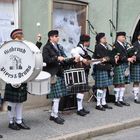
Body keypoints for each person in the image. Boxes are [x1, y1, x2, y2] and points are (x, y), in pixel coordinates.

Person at [43, 30, 79, 124]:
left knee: (58, 96)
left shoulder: (59, 47)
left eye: (58, 36)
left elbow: (64, 59)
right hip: (53, 73)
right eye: (56, 36)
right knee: (56, 96)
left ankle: (53, 115)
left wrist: (73, 60)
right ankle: (55, 115)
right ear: (50, 37)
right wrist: (56, 58)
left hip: (60, 73)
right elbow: (46, 60)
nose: (58, 37)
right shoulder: (46, 47)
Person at [4, 29, 30, 130]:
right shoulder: (8, 47)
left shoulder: (23, 47)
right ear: (16, 36)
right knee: (12, 102)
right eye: (21, 35)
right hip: (12, 78)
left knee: (20, 101)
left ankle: (19, 121)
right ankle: (11, 122)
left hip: (21, 76)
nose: (23, 36)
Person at [112, 32, 136, 107]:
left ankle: (121, 99)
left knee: (123, 83)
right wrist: (127, 59)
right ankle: (116, 100)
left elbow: (126, 54)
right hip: (119, 65)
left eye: (124, 37)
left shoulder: (124, 45)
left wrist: (132, 56)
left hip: (124, 65)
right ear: (118, 37)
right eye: (122, 37)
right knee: (118, 84)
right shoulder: (115, 45)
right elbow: (119, 56)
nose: (124, 38)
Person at [71, 34, 91, 116]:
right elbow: (73, 52)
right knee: (80, 90)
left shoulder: (83, 48)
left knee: (81, 90)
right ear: (85, 42)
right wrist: (83, 60)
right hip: (80, 71)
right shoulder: (79, 48)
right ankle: (79, 109)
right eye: (88, 41)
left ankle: (80, 107)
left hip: (83, 71)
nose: (89, 43)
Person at [94, 33, 115, 111]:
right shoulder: (98, 46)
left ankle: (103, 102)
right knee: (100, 87)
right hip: (101, 68)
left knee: (105, 86)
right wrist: (110, 57)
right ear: (99, 39)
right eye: (103, 38)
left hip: (106, 68)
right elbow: (104, 57)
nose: (105, 39)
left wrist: (111, 57)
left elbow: (108, 57)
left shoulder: (105, 46)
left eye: (105, 37)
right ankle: (98, 104)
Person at [130, 31, 140, 103]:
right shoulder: (134, 45)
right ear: (138, 37)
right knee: (136, 81)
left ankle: (136, 92)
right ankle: (136, 97)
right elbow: (132, 55)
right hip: (136, 65)